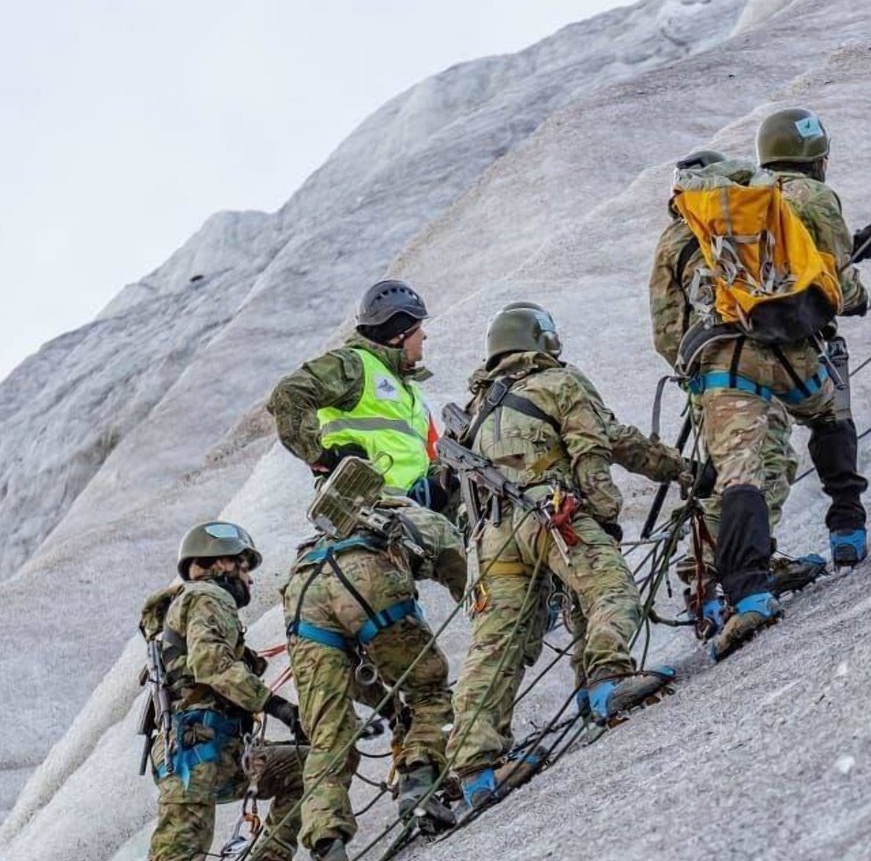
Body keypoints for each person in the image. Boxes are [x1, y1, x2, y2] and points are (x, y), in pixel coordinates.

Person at [654, 110, 871, 661]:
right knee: (829, 414)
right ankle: (847, 526)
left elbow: (666, 329)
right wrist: (854, 297)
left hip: (720, 364)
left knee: (738, 476)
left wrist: (698, 376)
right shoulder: (785, 201)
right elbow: (834, 282)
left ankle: (748, 595)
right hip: (788, 346)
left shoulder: (677, 237)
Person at [445, 303, 678, 810]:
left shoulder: (478, 410)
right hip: (551, 515)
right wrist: (615, 508)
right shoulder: (558, 382)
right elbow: (600, 447)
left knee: (495, 647)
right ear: (542, 340)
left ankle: (477, 771)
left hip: (490, 539)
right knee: (610, 590)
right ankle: (606, 682)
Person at [281, 489, 467, 860]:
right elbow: (466, 577)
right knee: (428, 690)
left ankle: (326, 841)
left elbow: (351, 679)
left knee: (328, 735)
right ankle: (419, 784)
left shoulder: (322, 536)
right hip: (366, 577)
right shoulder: (419, 517)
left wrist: (386, 704)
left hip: (303, 596)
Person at [140, 522, 306, 861]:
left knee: (309, 768)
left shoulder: (189, 606)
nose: (250, 578)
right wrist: (283, 710)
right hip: (197, 750)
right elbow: (210, 663)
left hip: (208, 749)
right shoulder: (207, 595)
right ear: (219, 564)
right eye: (243, 566)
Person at [267, 279, 449, 509]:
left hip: (413, 514)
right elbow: (290, 393)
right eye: (418, 328)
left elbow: (423, 455)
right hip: (367, 512)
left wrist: (437, 483)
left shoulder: (408, 390)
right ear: (399, 335)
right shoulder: (355, 365)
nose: (424, 336)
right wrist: (322, 457)